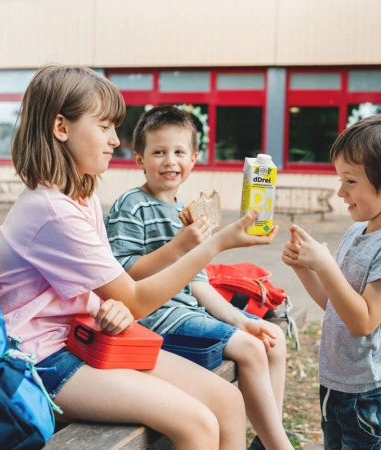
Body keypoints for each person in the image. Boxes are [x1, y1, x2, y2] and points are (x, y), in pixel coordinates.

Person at [0, 65, 279, 450]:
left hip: (85, 337)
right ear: (61, 127)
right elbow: (135, 298)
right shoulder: (52, 211)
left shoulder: (81, 197)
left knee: (228, 401)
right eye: (104, 126)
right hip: (39, 361)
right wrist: (213, 244)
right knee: (197, 424)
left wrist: (112, 307)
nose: (114, 140)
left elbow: (115, 293)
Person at [104, 106, 292, 450]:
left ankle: (266, 442)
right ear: (139, 159)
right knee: (251, 349)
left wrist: (242, 320)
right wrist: (179, 247)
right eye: (158, 152)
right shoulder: (131, 205)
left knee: (272, 338)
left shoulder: (185, 211)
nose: (169, 161)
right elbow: (123, 275)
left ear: (193, 159)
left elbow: (199, 284)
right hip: (157, 319)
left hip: (190, 314)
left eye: (178, 152)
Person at [281, 112, 381, 450]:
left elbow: (364, 320)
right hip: (340, 386)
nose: (340, 191)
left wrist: (326, 266)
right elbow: (337, 307)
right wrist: (306, 269)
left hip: (376, 395)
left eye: (350, 181)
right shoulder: (356, 232)